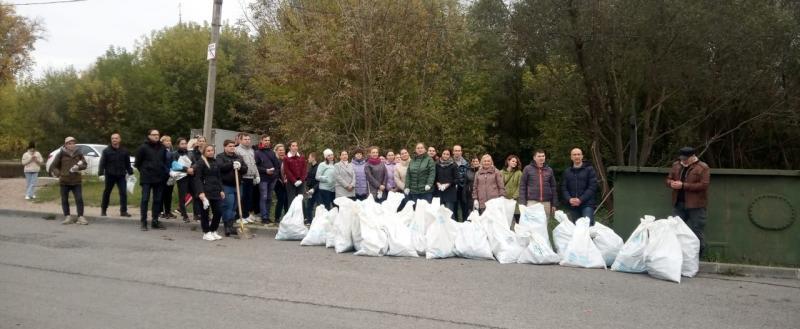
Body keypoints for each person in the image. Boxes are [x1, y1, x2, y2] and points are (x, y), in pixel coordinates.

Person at [666, 146, 710, 257]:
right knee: (674, 230)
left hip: (696, 206)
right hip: (679, 204)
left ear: (693, 157)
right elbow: (668, 178)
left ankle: (699, 258)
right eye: (681, 158)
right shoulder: (676, 165)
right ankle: (675, 256)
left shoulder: (703, 167)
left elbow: (704, 185)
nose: (683, 161)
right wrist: (671, 183)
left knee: (697, 231)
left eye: (685, 158)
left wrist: (683, 186)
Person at [135, 129, 169, 231]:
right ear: (149, 136)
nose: (156, 136)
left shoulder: (162, 147)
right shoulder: (143, 147)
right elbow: (137, 163)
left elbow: (163, 162)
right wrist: (144, 171)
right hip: (146, 178)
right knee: (145, 200)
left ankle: (155, 221)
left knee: (157, 200)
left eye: (157, 134)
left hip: (159, 178)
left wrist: (163, 173)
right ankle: (143, 222)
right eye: (153, 135)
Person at [49, 137, 88, 225]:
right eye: (69, 143)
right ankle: (67, 217)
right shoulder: (61, 154)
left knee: (79, 199)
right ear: (65, 145)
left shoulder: (79, 153)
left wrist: (78, 167)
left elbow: (85, 164)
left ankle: (80, 217)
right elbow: (53, 166)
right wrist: (59, 174)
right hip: (64, 181)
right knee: (64, 199)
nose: (71, 145)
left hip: (76, 180)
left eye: (73, 143)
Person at [193, 144, 224, 241]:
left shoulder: (215, 162)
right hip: (205, 192)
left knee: (218, 211)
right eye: (208, 151)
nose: (211, 152)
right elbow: (197, 179)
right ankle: (206, 232)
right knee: (205, 213)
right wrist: (201, 193)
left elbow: (219, 177)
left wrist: (221, 189)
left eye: (212, 150)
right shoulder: (201, 163)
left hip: (215, 191)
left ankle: (213, 230)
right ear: (204, 152)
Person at [99, 133, 133, 217]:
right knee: (107, 192)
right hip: (110, 175)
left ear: (119, 139)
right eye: (113, 138)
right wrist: (101, 174)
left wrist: (131, 173)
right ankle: (103, 210)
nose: (114, 140)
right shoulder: (106, 151)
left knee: (123, 193)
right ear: (111, 140)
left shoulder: (124, 151)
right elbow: (102, 163)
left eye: (116, 138)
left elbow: (127, 163)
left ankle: (123, 211)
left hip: (121, 175)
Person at [217, 140, 247, 236]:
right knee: (228, 206)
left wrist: (240, 167)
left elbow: (245, 169)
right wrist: (232, 164)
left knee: (234, 207)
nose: (232, 147)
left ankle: (231, 225)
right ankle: (227, 226)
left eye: (233, 146)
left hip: (238, 185)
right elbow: (220, 167)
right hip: (226, 185)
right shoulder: (220, 156)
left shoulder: (239, 157)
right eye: (230, 146)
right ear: (225, 147)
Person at [561, 148, 598, 225]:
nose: (576, 156)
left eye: (578, 154)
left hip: (587, 204)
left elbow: (592, 187)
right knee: (577, 227)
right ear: (571, 157)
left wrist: (580, 199)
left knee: (588, 225)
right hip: (573, 205)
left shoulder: (589, 169)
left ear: (582, 156)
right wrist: (569, 199)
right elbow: (564, 188)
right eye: (574, 155)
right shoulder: (567, 171)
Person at [519, 149, 558, 219]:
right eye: (539, 156)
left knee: (544, 224)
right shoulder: (527, 169)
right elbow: (522, 186)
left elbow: (553, 187)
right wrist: (522, 203)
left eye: (543, 156)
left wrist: (554, 204)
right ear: (534, 158)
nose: (541, 158)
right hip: (532, 202)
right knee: (531, 224)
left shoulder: (549, 170)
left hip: (546, 202)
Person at [255, 135, 280, 226]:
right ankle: (264, 217)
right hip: (263, 179)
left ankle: (268, 216)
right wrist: (265, 171)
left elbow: (277, 165)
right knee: (264, 197)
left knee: (269, 198)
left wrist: (275, 174)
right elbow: (256, 166)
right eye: (265, 140)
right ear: (261, 141)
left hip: (272, 179)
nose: (267, 142)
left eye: (268, 140)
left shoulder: (272, 152)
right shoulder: (257, 153)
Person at [235, 133, 259, 224]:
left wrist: (257, 175)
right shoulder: (237, 150)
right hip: (242, 177)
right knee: (241, 197)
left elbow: (254, 164)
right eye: (245, 139)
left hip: (250, 177)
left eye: (249, 139)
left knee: (248, 198)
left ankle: (245, 214)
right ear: (240, 140)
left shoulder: (252, 150)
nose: (247, 141)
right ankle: (238, 216)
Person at [170, 138, 193, 222]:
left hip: (191, 176)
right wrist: (187, 169)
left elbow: (194, 163)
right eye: (182, 144)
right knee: (182, 196)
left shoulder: (190, 153)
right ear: (178, 145)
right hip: (181, 177)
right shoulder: (175, 154)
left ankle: (197, 215)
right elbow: (175, 165)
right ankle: (185, 215)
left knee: (195, 194)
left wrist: (193, 169)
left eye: (185, 143)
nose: (184, 145)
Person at [435, 149, 458, 217]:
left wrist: (448, 184)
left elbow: (457, 179)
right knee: (439, 215)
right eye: (444, 154)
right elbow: (435, 177)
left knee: (449, 214)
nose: (445, 155)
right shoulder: (437, 164)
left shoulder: (453, 165)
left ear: (450, 155)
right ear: (441, 154)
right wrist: (437, 183)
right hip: (439, 192)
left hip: (450, 193)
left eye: (447, 154)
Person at [502, 154, 523, 223]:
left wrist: (514, 197)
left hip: (515, 200)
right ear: (508, 161)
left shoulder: (519, 173)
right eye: (513, 161)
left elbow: (520, 186)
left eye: (516, 162)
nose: (514, 163)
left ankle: (519, 233)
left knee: (518, 220)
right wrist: (502, 196)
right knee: (505, 220)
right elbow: (499, 186)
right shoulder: (501, 172)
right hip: (504, 200)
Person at [160, 135, 176, 220]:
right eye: (166, 141)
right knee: (162, 193)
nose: (168, 142)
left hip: (171, 176)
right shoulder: (160, 151)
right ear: (162, 142)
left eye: (169, 141)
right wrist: (168, 171)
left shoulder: (172, 151)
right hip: (163, 175)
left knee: (169, 194)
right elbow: (161, 163)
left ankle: (168, 211)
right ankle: (161, 211)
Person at [452, 145, 469, 221]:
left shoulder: (466, 163)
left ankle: (465, 224)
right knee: (454, 207)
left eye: (459, 151)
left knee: (464, 207)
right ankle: (455, 224)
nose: (457, 152)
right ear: (453, 152)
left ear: (461, 152)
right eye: (456, 150)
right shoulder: (449, 162)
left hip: (463, 188)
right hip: (452, 188)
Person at [273, 144, 289, 222]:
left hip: (287, 182)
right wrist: (280, 179)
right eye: (280, 150)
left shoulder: (287, 159)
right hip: (278, 182)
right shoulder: (275, 160)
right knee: (281, 199)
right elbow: (275, 171)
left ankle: (287, 217)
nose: (282, 151)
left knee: (287, 200)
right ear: (276, 151)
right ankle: (277, 218)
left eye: (283, 150)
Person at [303, 152, 319, 223]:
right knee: (309, 205)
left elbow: (319, 180)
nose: (308, 159)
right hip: (310, 190)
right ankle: (309, 220)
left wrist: (314, 189)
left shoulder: (318, 167)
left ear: (313, 158)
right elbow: (307, 178)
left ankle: (317, 221)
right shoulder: (310, 167)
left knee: (318, 206)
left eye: (309, 157)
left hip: (317, 190)